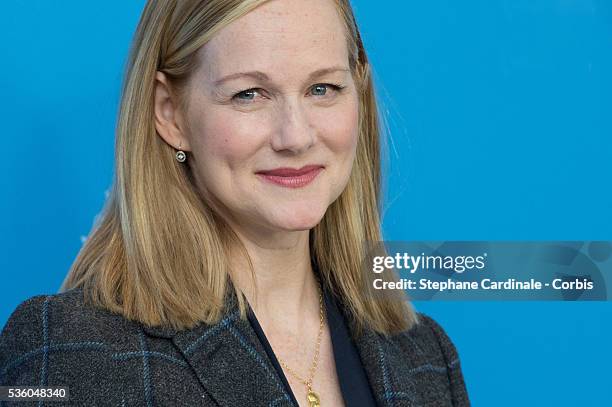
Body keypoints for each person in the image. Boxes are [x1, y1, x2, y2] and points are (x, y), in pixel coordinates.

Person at [0, 0, 470, 405]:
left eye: (322, 88)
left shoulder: (426, 356)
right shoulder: (71, 351)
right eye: (249, 94)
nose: (296, 136)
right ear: (171, 112)